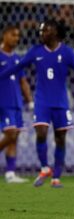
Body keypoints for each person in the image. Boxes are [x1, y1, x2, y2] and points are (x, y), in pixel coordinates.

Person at [0, 19, 74, 188]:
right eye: (41, 30)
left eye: (46, 30)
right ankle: (45, 167)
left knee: (60, 138)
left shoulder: (66, 52)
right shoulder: (35, 51)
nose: (42, 32)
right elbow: (15, 69)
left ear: (56, 33)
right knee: (41, 132)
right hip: (42, 101)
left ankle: (56, 177)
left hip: (61, 101)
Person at [0, 25, 33, 183]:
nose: (16, 38)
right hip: (3, 103)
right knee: (11, 133)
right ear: (4, 35)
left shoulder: (16, 59)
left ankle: (10, 174)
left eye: (18, 36)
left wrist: (30, 101)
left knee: (14, 137)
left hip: (17, 103)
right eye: (13, 35)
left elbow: (23, 81)